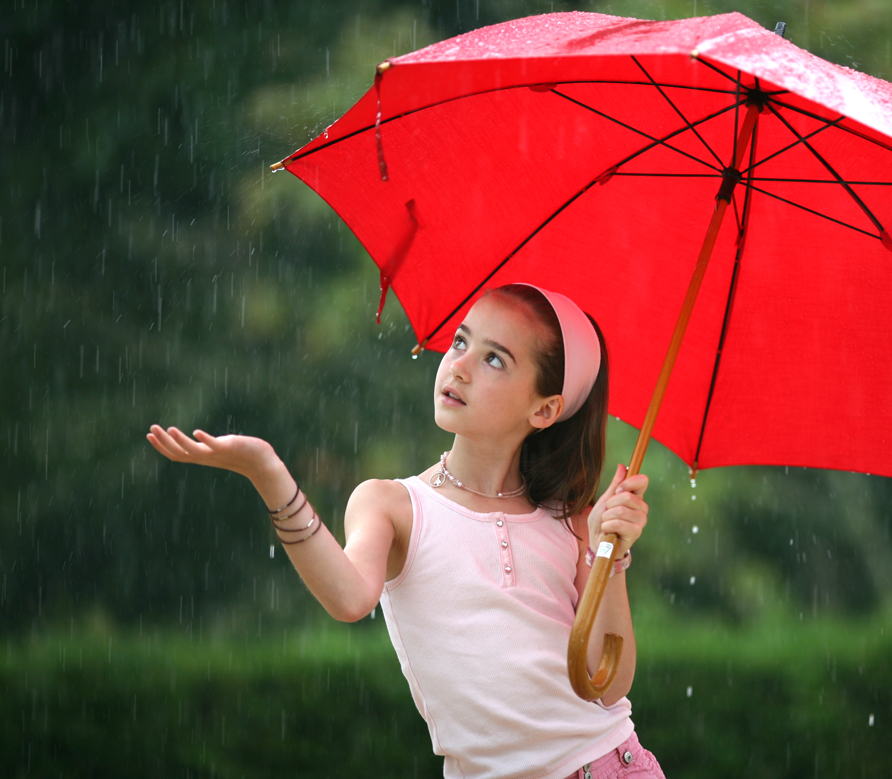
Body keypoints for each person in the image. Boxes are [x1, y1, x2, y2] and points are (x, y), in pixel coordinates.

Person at [146, 283, 666, 779]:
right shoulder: (393, 504)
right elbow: (349, 598)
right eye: (461, 341)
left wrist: (609, 553)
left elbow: (608, 682)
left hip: (610, 764)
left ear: (545, 408)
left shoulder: (573, 519)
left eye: (494, 359)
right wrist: (268, 473)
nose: (458, 366)